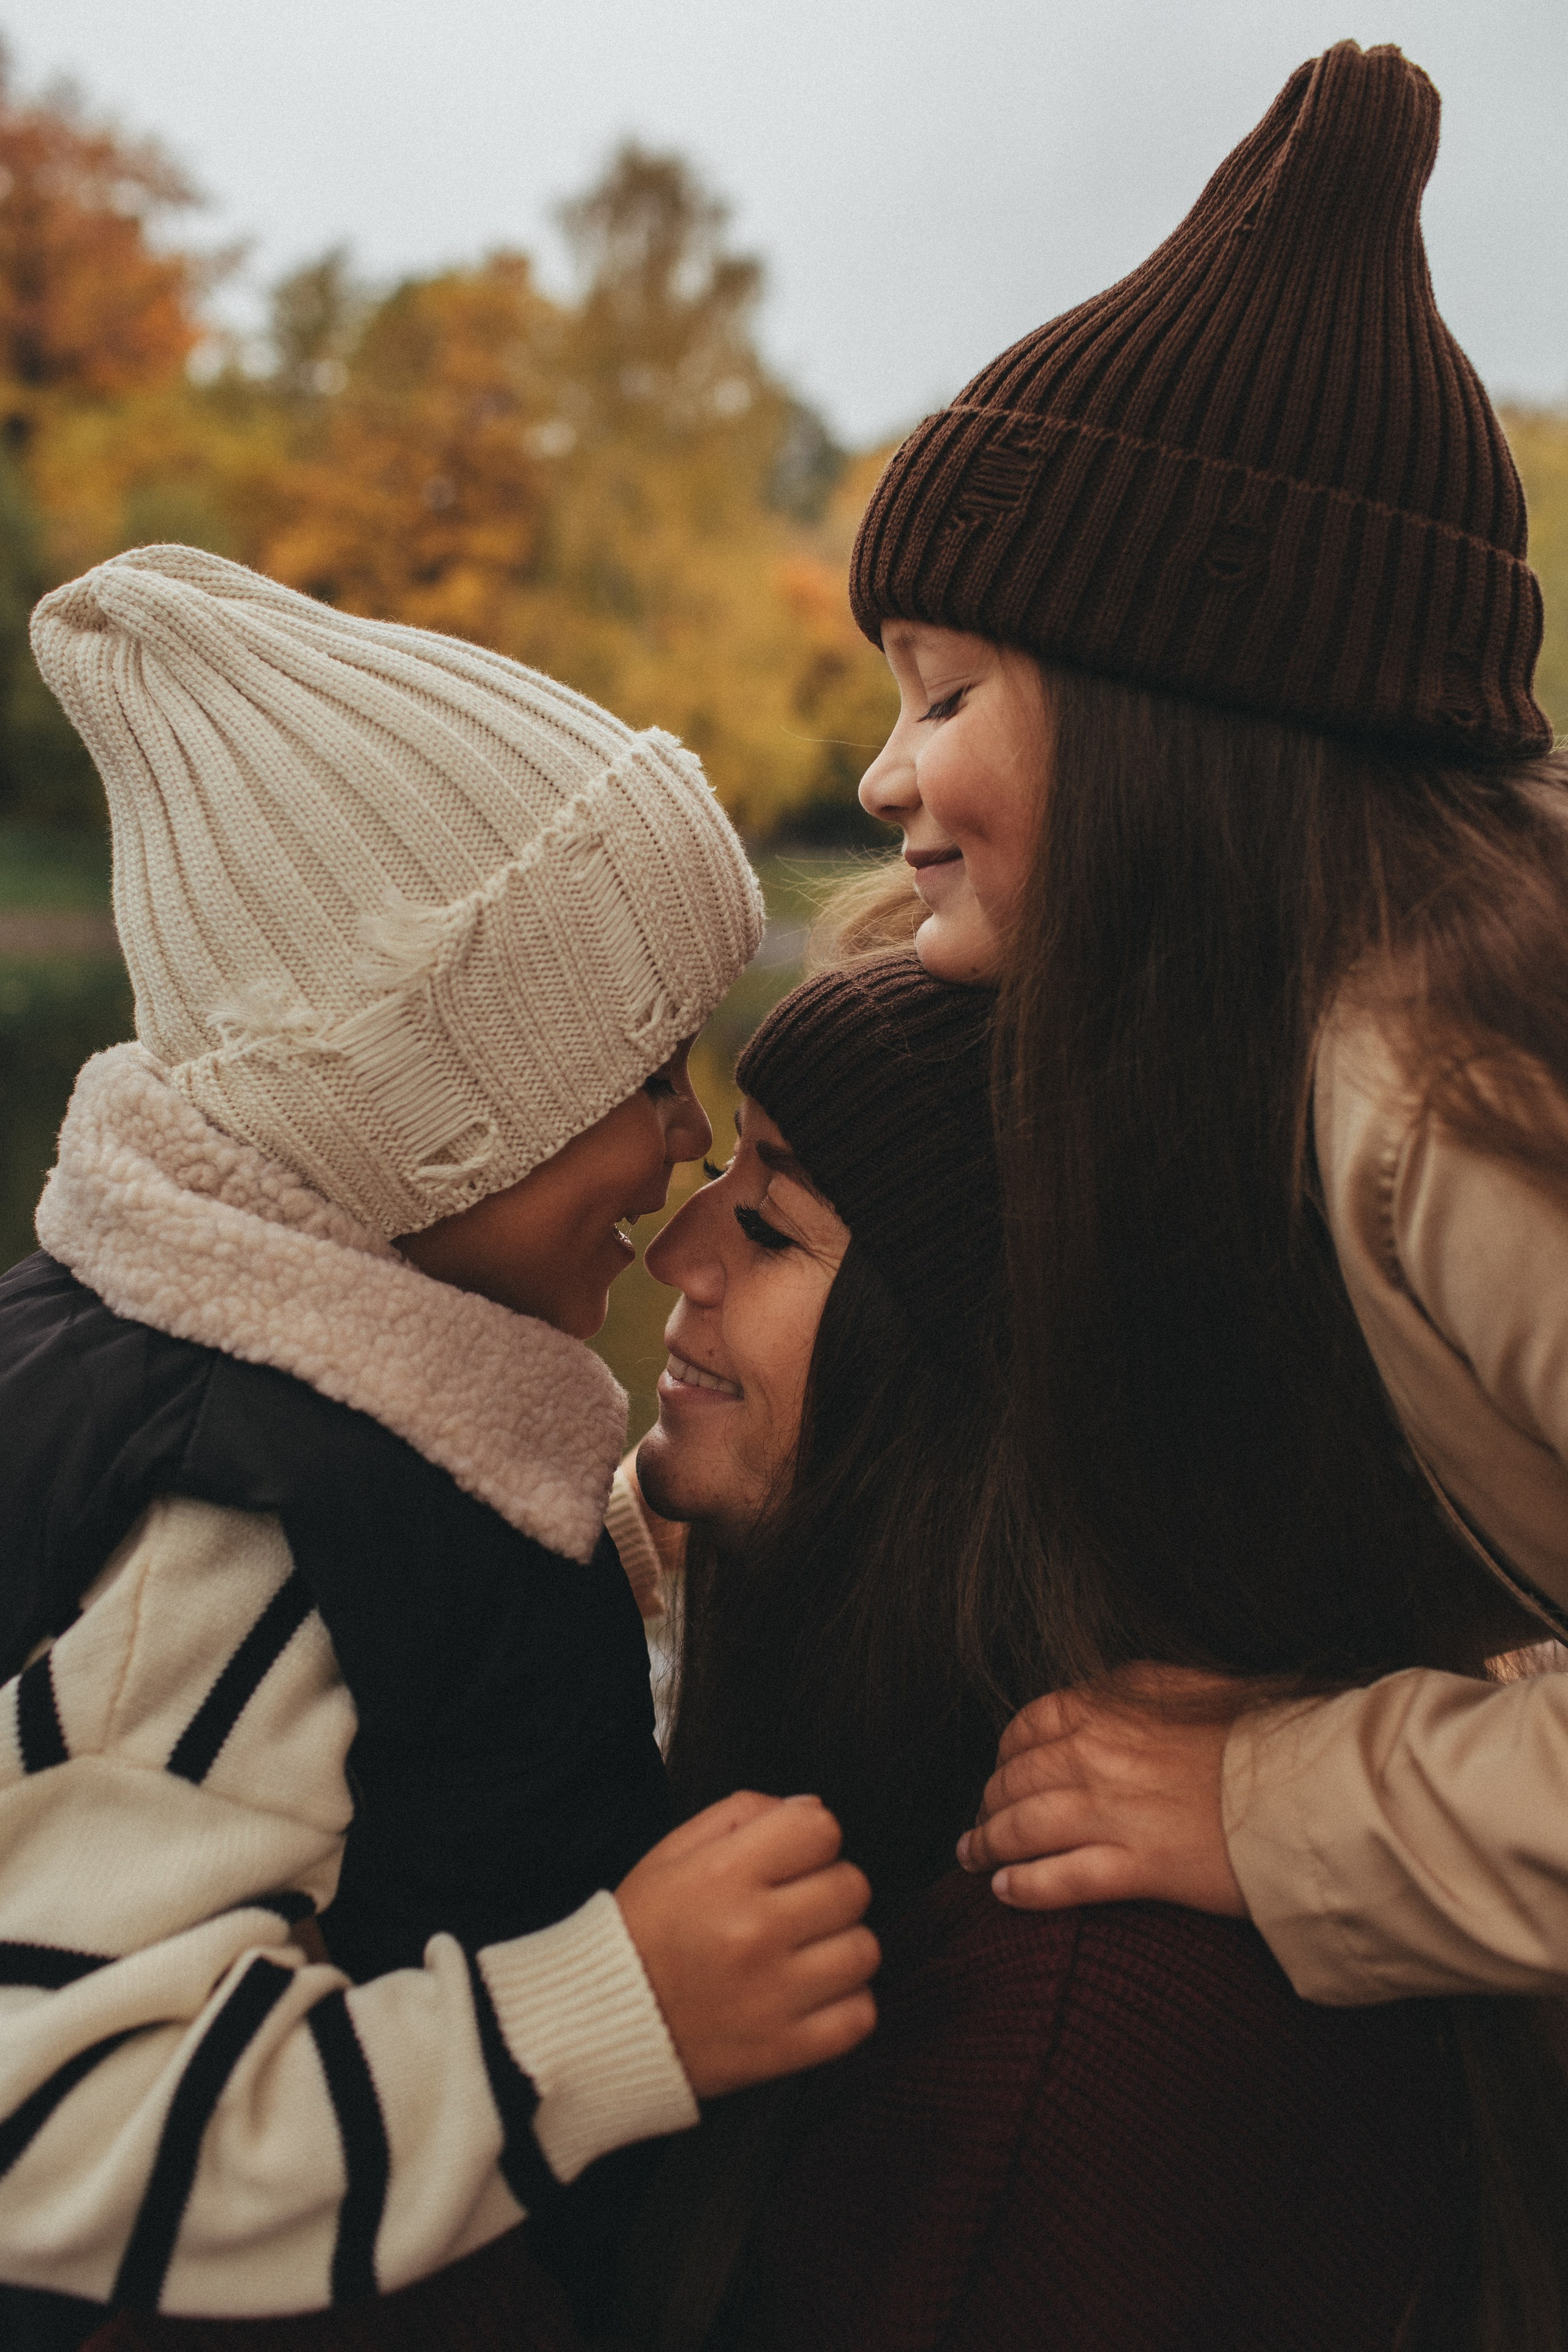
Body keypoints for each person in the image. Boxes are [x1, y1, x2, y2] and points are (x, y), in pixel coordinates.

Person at [835, 38, 1568, 2340]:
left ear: (1172, 710)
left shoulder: (1436, 1082)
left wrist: (1277, 1815)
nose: (881, 774)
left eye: (947, 692)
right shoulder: (1248, 1038)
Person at [0, 547, 876, 2351]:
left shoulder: (296, 1393)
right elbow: (56, 2127)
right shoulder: (234, 1525)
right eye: (643, 1077)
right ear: (429, 1126)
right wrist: (612, 2013)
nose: (683, 1139)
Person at [612, 952, 1531, 2352]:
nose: (676, 1251)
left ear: (973, 1395)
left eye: (778, 1228)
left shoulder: (1080, 2041)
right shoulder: (898, 1773)